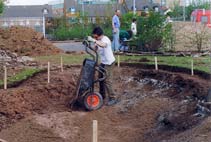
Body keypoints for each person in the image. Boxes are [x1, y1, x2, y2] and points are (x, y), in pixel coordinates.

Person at [87, 27, 118, 106]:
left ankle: (113, 97)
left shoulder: (105, 39)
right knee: (100, 78)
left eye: (96, 37)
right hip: (104, 62)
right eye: (94, 37)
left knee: (107, 80)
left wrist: (94, 41)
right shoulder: (98, 40)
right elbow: (95, 48)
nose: (95, 38)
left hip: (109, 63)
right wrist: (89, 45)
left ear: (100, 35)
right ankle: (102, 95)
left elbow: (103, 45)